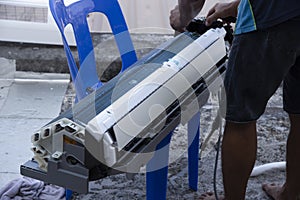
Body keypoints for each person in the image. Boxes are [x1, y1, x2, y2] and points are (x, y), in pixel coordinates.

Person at [170, 0, 300, 199]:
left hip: (270, 15)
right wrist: (236, 6)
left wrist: (184, 18)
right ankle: (292, 193)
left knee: (240, 118)